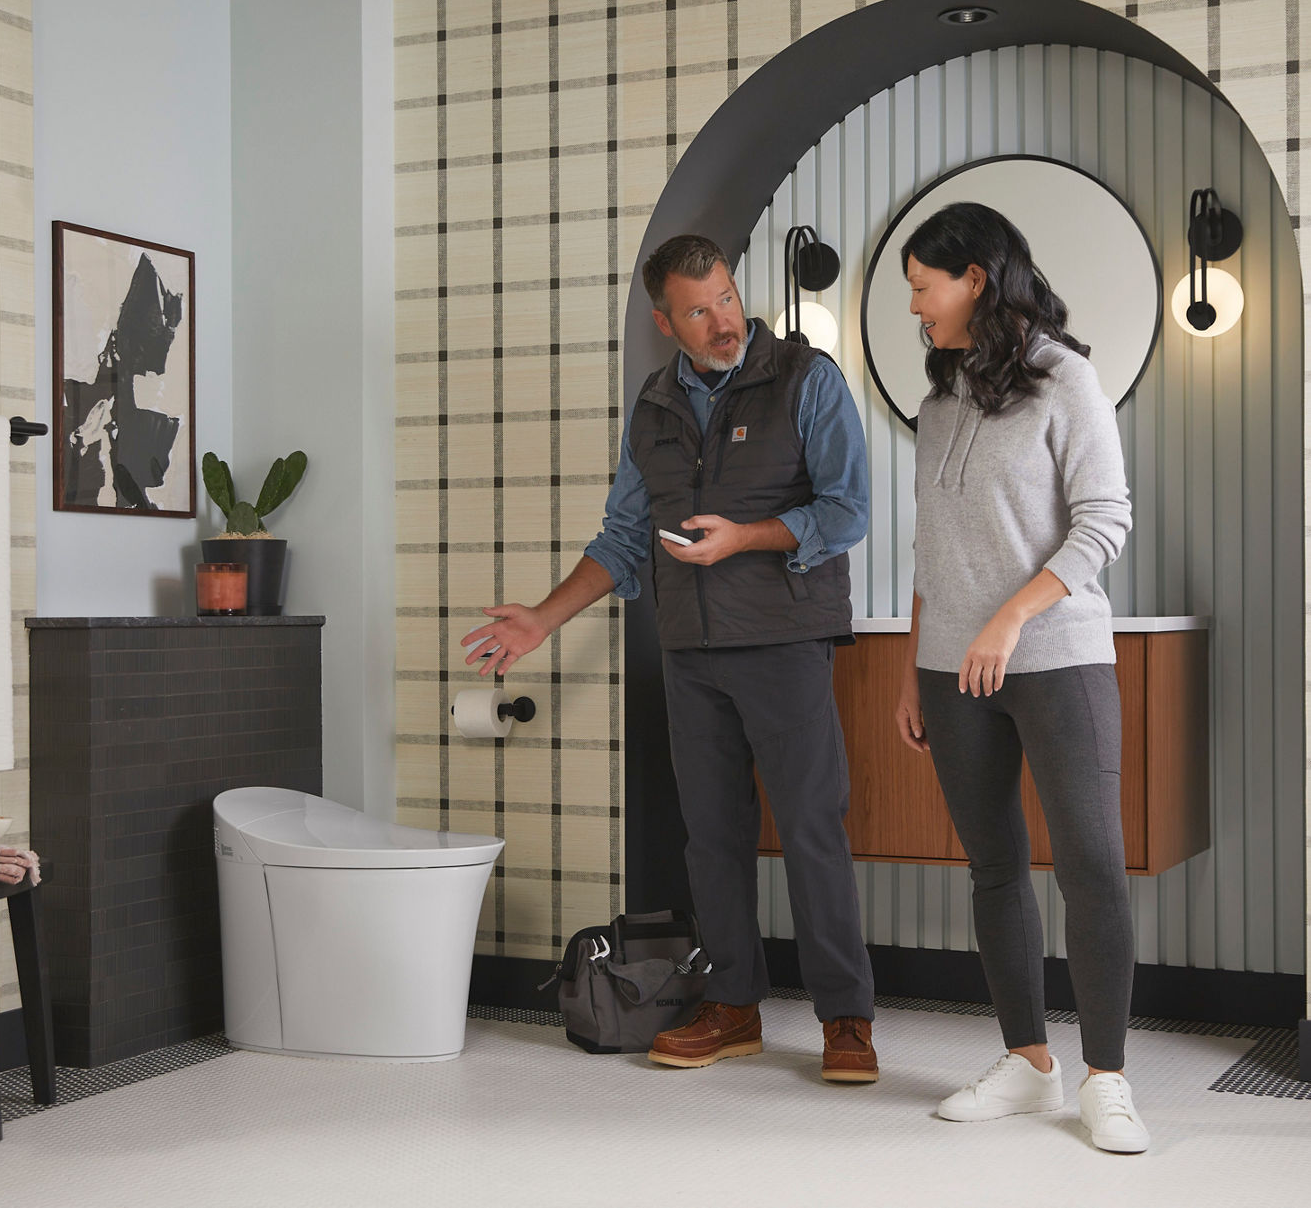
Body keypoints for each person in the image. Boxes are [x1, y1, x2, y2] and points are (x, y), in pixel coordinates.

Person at [463, 234, 879, 1083]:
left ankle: (846, 1017)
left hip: (784, 643)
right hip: (691, 651)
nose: (721, 320)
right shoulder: (653, 406)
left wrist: (744, 538)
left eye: (726, 297)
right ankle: (732, 1005)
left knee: (811, 828)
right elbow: (623, 537)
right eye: (698, 310)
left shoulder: (807, 379)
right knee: (711, 839)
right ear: (665, 322)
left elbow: (848, 510)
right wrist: (542, 619)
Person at [892, 202, 1146, 1152]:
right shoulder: (939, 402)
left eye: (924, 286)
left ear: (976, 281)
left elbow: (1104, 520)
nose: (915, 306)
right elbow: (932, 551)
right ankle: (1030, 1063)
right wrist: (914, 667)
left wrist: (1008, 617)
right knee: (994, 867)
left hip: (1056, 655)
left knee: (1090, 863)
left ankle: (1106, 1077)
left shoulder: (1065, 379)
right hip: (952, 669)